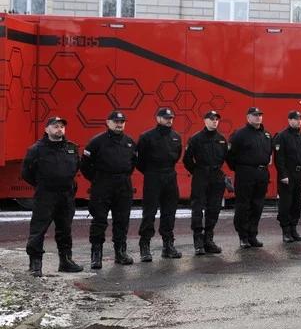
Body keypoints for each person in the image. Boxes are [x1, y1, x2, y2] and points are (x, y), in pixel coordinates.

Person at [21, 116, 82, 276]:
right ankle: (35, 264)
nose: (59, 129)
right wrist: (43, 184)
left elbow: (76, 167)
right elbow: (26, 173)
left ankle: (66, 261)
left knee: (65, 229)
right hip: (45, 195)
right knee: (38, 229)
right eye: (55, 126)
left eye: (62, 126)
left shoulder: (71, 148)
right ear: (47, 129)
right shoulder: (36, 149)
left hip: (66, 195)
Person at [81, 110, 138, 268]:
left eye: (122, 122)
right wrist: (97, 179)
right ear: (108, 122)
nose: (119, 124)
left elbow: (133, 162)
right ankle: (96, 255)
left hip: (123, 185)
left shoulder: (129, 142)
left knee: (122, 221)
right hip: (102, 185)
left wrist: (123, 176)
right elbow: (85, 164)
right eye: (116, 122)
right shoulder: (97, 142)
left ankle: (120, 253)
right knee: (99, 221)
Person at [135, 107, 183, 262]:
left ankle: (168, 246)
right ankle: (145, 246)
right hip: (153, 176)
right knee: (149, 213)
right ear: (158, 118)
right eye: (166, 117)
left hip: (170, 176)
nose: (169, 120)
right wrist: (151, 172)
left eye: (171, 117)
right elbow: (139, 161)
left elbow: (176, 157)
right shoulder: (147, 137)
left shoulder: (176, 137)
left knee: (169, 212)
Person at [183, 110, 228, 255]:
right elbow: (187, 160)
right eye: (211, 119)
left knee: (214, 209)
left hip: (216, 176)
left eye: (216, 119)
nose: (215, 121)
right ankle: (198, 241)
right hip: (201, 175)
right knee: (198, 208)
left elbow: (225, 158)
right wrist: (197, 171)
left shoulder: (221, 139)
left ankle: (209, 240)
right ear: (205, 120)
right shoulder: (196, 138)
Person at [227, 106, 273, 249]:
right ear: (248, 117)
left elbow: (269, 153)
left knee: (257, 205)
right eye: (255, 115)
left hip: (262, 174)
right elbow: (230, 156)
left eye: (260, 114)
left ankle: (252, 235)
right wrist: (240, 168)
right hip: (245, 173)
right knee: (243, 205)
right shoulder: (239, 134)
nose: (258, 117)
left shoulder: (266, 134)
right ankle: (243, 236)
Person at [274, 110, 301, 243]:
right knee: (286, 204)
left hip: (299, 175)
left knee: (297, 203)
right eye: (296, 118)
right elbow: (279, 158)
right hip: (287, 175)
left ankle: (294, 229)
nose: (299, 121)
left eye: (300, 118)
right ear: (289, 120)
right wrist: (283, 175)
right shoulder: (282, 136)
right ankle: (286, 231)